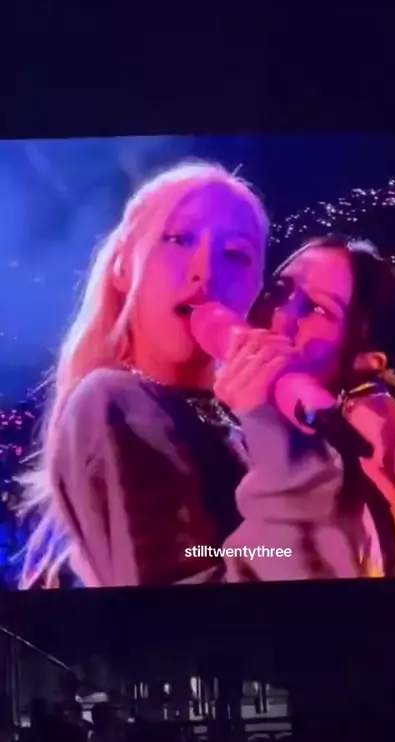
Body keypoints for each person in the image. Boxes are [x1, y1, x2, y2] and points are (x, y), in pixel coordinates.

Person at [20, 161, 269, 588]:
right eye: (178, 239)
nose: (207, 271)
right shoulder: (112, 401)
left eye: (236, 254)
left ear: (256, 288)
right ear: (123, 266)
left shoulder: (241, 416)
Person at [214, 235, 395, 579]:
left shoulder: (374, 468)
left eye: (318, 309)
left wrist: (266, 425)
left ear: (365, 361)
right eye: (279, 290)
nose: (279, 314)